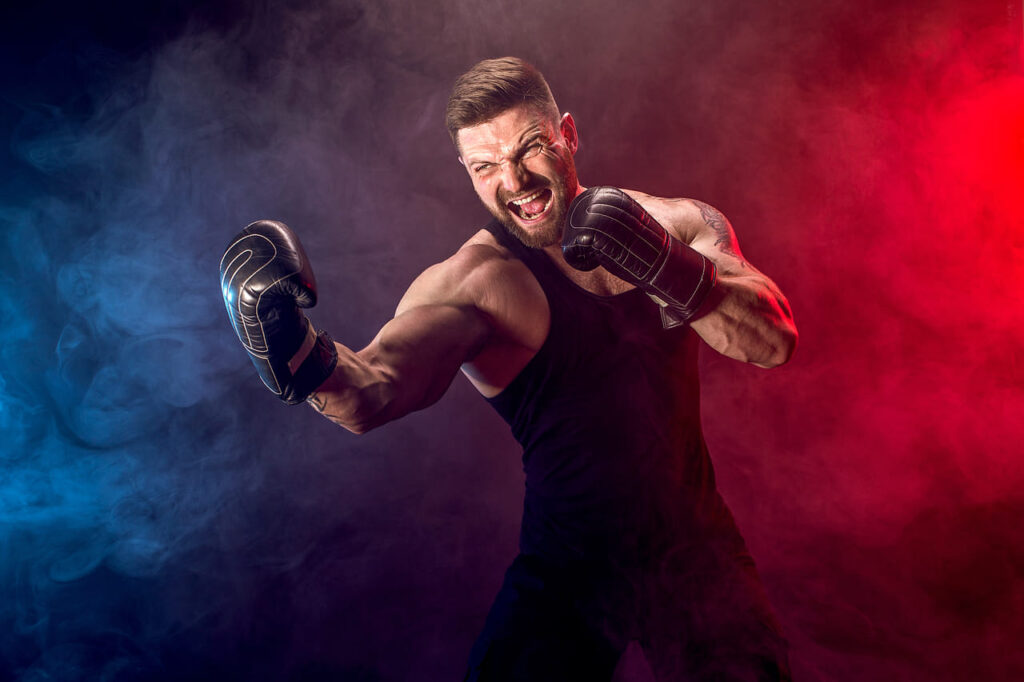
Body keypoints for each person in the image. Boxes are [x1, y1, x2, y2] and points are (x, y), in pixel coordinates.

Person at [220, 57, 798, 681]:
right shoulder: (476, 284)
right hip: (569, 568)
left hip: (697, 552)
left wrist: (661, 264)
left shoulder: (676, 225)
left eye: (529, 149)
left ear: (568, 135)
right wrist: (288, 347)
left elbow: (773, 340)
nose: (515, 179)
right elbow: (370, 393)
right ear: (467, 172)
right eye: (486, 166)